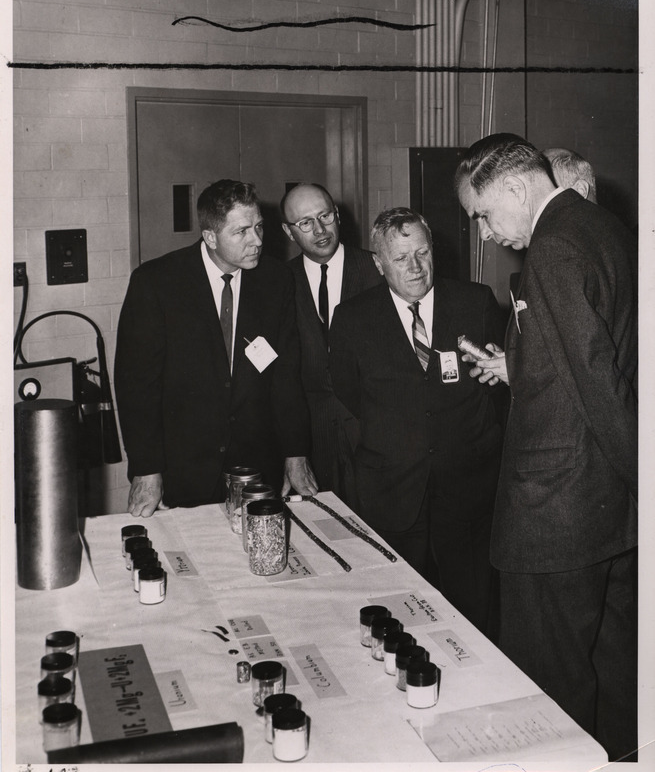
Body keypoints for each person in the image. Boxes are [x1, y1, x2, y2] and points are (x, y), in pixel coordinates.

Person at [455, 133, 637, 762]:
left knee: (551, 690)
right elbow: (597, 354)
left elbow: (599, 384)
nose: (484, 233)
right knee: (616, 679)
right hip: (607, 514)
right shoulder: (602, 229)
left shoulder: (552, 251)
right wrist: (521, 366)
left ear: (513, 187)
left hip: (557, 516)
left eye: (482, 214)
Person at [329, 207, 506, 635]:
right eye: (401, 258)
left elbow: (497, 392)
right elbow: (348, 395)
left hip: (466, 494)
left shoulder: (475, 302)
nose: (415, 266)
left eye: (423, 253)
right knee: (400, 616)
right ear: (378, 263)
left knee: (472, 616)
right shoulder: (352, 318)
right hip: (393, 492)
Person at [115, 179, 317, 517]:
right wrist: (147, 469)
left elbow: (286, 376)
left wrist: (295, 454)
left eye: (259, 227)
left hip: (257, 467)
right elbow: (137, 387)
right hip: (183, 469)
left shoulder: (276, 280)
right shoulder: (156, 283)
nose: (256, 241)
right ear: (210, 237)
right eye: (241, 232)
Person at [281, 183, 380, 504]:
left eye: (325, 216)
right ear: (288, 231)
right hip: (312, 445)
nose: (320, 230)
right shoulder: (277, 284)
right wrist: (290, 454)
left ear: (337, 216)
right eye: (305, 223)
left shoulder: (377, 270)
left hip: (377, 439)